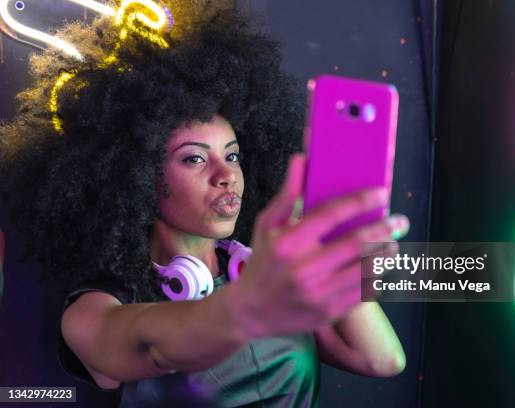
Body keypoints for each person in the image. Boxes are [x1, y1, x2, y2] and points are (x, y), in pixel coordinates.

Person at [0, 3, 409, 407]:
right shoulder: (96, 308)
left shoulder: (264, 276)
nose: (225, 174)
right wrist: (253, 304)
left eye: (232, 156)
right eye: (195, 158)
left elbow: (381, 359)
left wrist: (332, 250)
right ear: (139, 178)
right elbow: (156, 348)